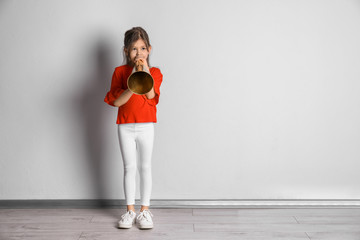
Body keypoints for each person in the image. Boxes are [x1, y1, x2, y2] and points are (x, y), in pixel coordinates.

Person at [104, 27, 163, 230]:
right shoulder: (119, 73)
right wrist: (131, 84)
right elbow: (118, 102)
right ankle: (130, 211)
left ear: (149, 49)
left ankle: (144, 211)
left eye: (143, 48)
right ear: (126, 51)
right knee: (129, 168)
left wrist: (144, 69)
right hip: (126, 127)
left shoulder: (154, 72)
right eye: (134, 49)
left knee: (145, 167)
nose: (138, 53)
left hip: (147, 127)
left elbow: (150, 96)